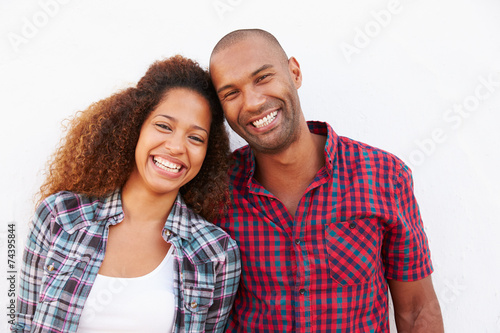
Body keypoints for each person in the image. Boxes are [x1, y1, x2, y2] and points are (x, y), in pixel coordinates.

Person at [209, 29, 444, 332]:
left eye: (263, 78)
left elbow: (417, 309)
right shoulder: (215, 191)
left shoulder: (384, 176)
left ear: (294, 72)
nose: (252, 102)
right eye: (231, 93)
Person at [12, 55, 240, 333]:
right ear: (135, 127)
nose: (177, 147)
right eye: (164, 126)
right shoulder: (60, 216)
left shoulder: (215, 253)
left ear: (208, 153)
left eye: (195, 138)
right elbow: (22, 324)